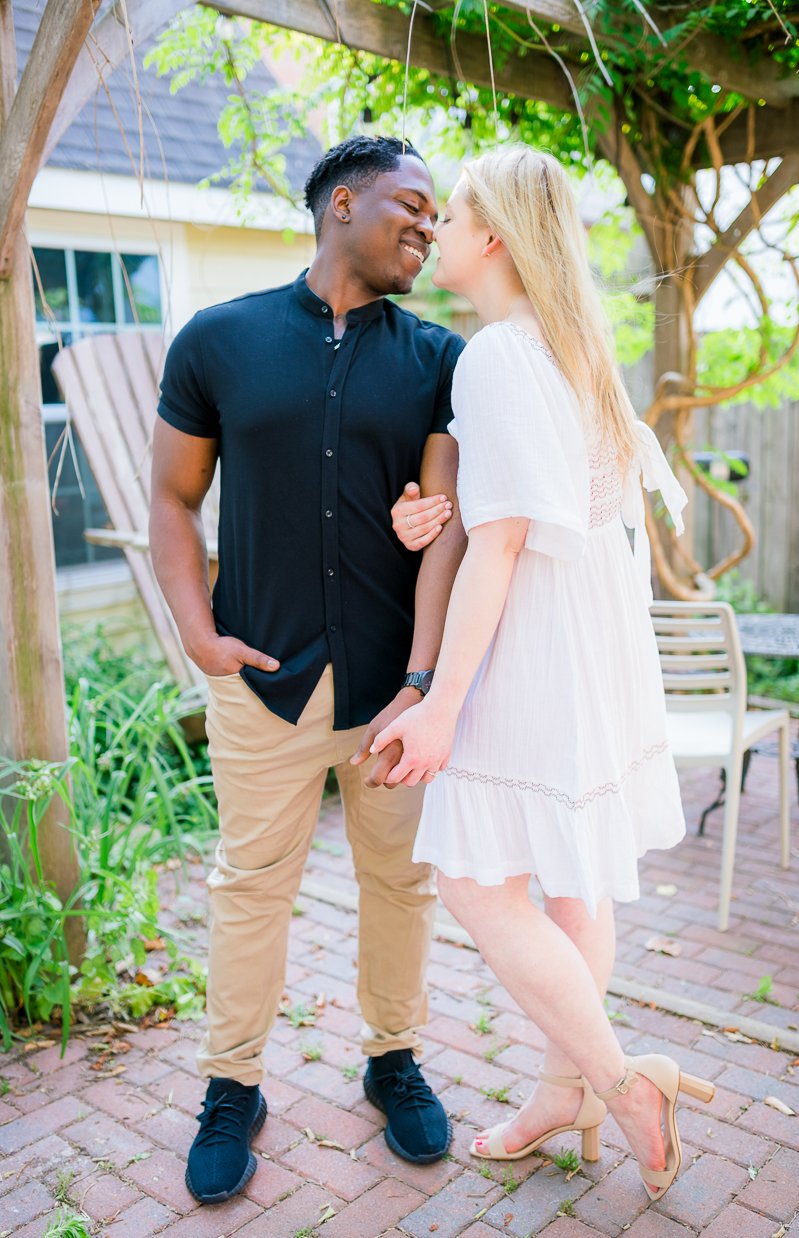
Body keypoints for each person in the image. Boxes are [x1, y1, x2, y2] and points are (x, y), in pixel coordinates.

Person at [374, 144, 715, 1201]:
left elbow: (507, 542)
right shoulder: (568, 349)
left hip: (535, 638)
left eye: (455, 207)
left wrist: (440, 703)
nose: (437, 224)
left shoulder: (495, 356)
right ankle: (563, 1090)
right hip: (593, 631)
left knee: (482, 883)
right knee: (572, 870)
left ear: (494, 237)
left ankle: (617, 1081)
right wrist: (432, 510)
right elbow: (523, 513)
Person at [149, 135, 467, 1204]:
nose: (431, 224)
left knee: (401, 882)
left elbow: (448, 522)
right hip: (262, 676)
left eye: (440, 214)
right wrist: (200, 631)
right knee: (250, 887)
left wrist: (424, 664)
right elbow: (172, 501)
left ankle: (392, 1056)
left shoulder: (437, 359)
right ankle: (233, 1084)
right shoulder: (217, 340)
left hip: (391, 687)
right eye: (412, 205)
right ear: (343, 202)